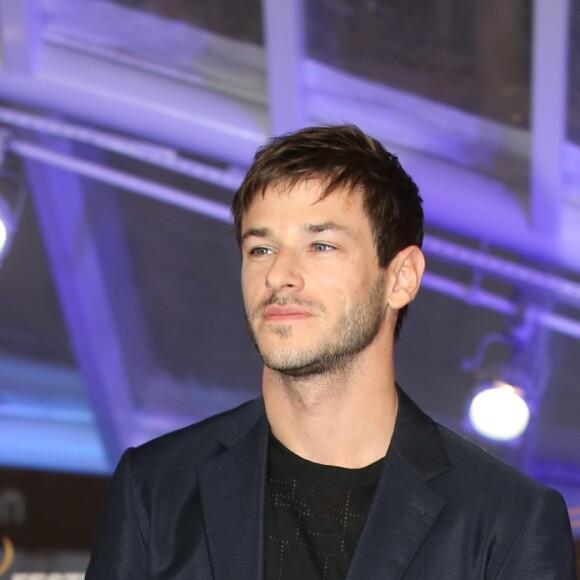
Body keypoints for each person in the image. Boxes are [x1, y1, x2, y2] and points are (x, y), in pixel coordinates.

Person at [85, 125, 576, 579]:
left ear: (401, 277)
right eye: (260, 249)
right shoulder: (154, 489)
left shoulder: (507, 521)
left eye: (320, 246)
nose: (279, 275)